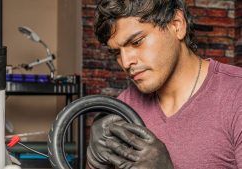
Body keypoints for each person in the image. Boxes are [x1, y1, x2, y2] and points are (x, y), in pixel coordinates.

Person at [86, 0, 242, 169]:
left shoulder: (236, 95)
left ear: (177, 25)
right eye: (116, 52)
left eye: (137, 42)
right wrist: (94, 162)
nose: (125, 62)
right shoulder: (125, 106)